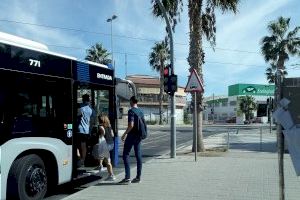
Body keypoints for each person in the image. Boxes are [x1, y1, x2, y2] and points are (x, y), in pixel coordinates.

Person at [119, 96, 144, 184]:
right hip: (139, 136)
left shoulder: (131, 111)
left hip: (131, 136)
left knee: (125, 154)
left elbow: (131, 125)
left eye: (130, 101)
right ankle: (138, 177)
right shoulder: (141, 111)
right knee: (138, 155)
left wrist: (124, 134)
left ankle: (127, 177)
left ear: (132, 101)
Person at [96, 115, 116, 181]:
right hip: (111, 143)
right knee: (102, 155)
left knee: (107, 161)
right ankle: (100, 165)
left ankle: (111, 175)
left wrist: (100, 136)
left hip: (105, 144)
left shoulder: (100, 126)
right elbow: (112, 134)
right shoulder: (109, 126)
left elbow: (102, 134)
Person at [77, 94, 93, 167]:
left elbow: (77, 115)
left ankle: (80, 158)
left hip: (80, 129)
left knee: (76, 145)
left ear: (83, 99)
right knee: (84, 146)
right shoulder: (90, 109)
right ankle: (83, 159)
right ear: (89, 100)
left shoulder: (80, 107)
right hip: (86, 130)